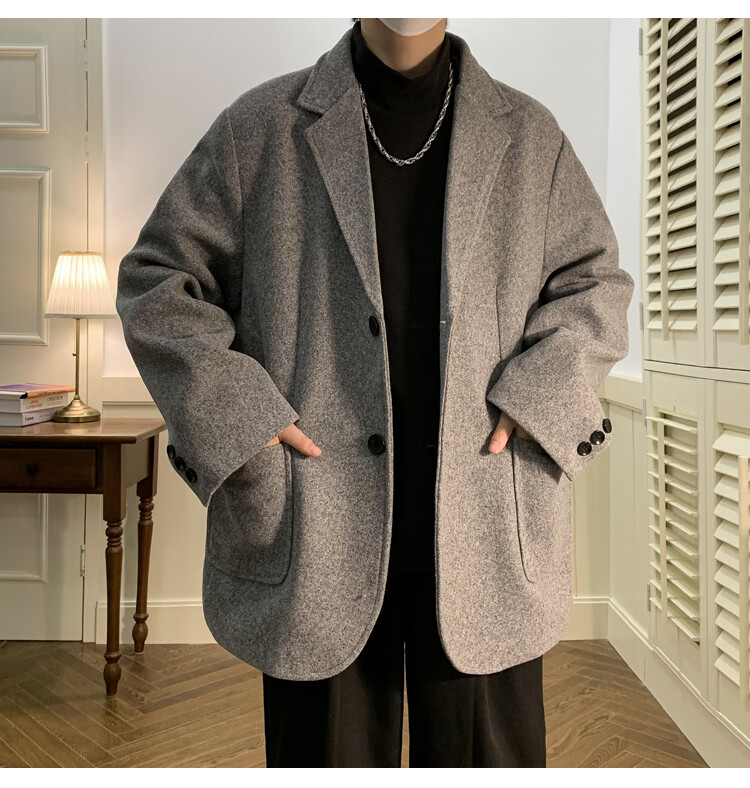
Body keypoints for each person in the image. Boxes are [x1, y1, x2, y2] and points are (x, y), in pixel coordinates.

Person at [116, 17, 634, 768]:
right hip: (315, 521)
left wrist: (538, 396)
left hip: (486, 516)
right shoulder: (259, 127)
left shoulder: (530, 136)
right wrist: (245, 418)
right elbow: (158, 282)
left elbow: (596, 283)